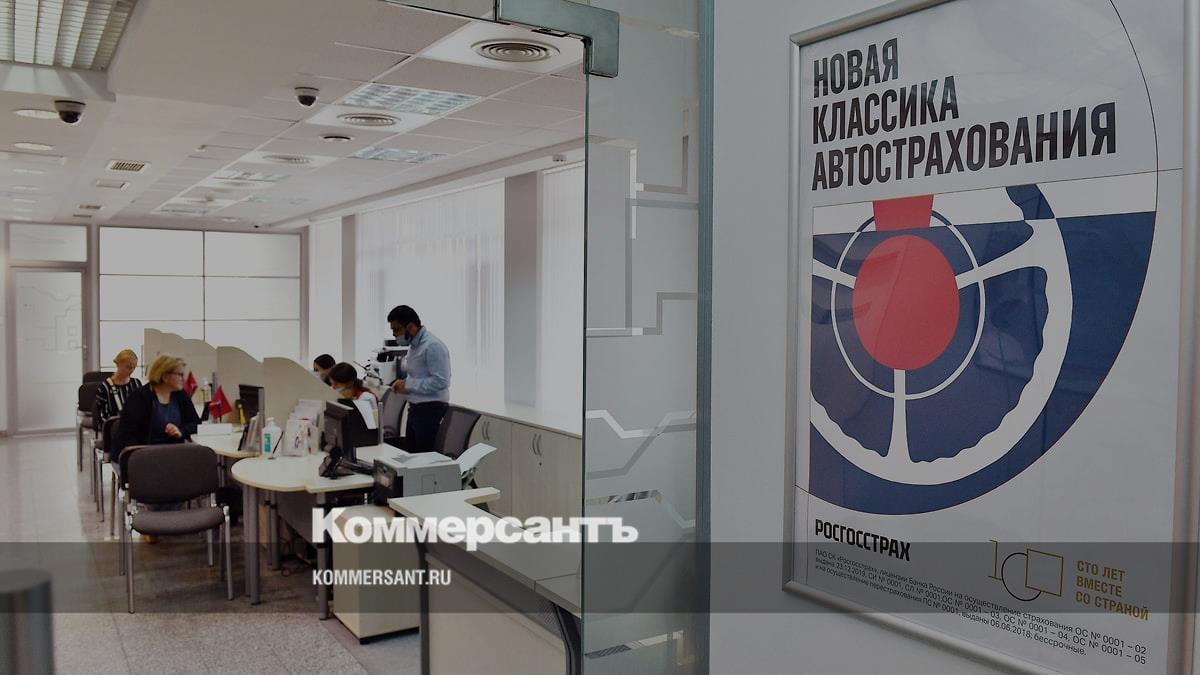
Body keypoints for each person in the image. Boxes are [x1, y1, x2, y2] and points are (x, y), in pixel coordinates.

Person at [388, 305, 450, 452]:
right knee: (411, 457)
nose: (394, 335)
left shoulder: (432, 346)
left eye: (397, 330)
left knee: (423, 459)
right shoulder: (414, 346)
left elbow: (441, 381)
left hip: (430, 412)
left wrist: (408, 385)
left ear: (410, 326)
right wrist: (402, 383)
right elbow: (416, 375)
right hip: (415, 410)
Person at [112, 354, 200, 457]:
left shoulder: (180, 395)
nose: (183, 379)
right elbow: (127, 435)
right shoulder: (139, 397)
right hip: (144, 454)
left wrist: (181, 431)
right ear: (165, 377)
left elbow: (196, 424)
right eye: (180, 375)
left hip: (174, 453)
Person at [95, 349, 142, 421]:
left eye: (134, 367)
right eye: (128, 367)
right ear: (118, 364)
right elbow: (101, 414)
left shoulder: (136, 383)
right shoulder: (105, 387)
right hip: (114, 424)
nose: (132, 370)